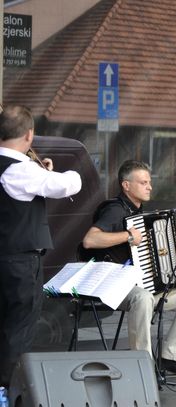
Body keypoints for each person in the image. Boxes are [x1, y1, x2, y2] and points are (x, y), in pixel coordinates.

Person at [82, 160, 176, 375]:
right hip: (114, 287)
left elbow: (160, 255)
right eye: (143, 182)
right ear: (126, 185)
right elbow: (90, 241)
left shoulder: (144, 216)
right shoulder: (114, 210)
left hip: (143, 286)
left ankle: (171, 357)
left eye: (150, 182)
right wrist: (127, 236)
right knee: (143, 297)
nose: (150, 187)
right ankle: (142, 363)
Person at [0, 105, 82, 387]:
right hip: (19, 263)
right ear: (29, 135)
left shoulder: (23, 170)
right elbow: (69, 184)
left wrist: (39, 171)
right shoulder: (22, 171)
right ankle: (6, 391)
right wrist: (49, 173)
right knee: (18, 328)